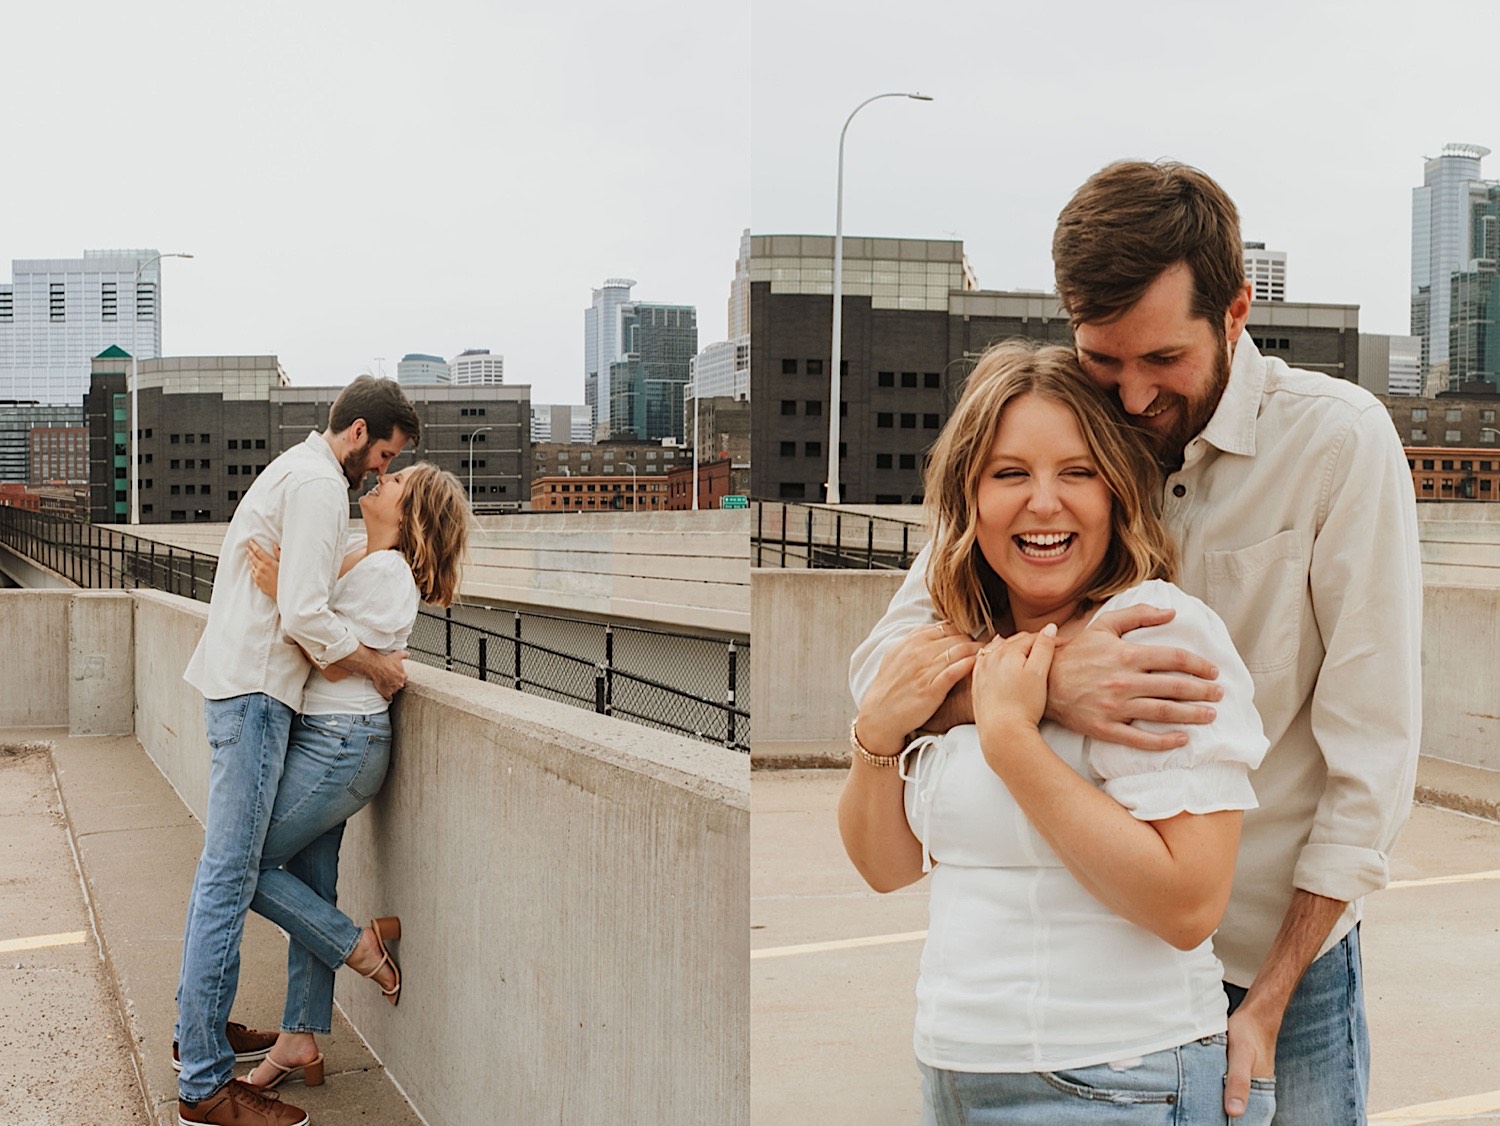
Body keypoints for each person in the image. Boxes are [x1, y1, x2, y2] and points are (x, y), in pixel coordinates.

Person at [851, 160, 1423, 1122]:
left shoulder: (1336, 445)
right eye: (1103, 359)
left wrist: (1274, 994)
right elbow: (884, 668)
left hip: (1279, 949)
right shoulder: (1060, 441)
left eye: (1163, 361)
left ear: (1235, 310)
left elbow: (1374, 753)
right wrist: (1045, 683)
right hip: (1109, 982)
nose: (1129, 396)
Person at [842, 340, 1272, 1123]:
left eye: (1077, 473)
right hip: (956, 1068)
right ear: (969, 499)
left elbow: (1188, 904)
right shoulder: (950, 648)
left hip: (1120, 1078)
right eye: (1011, 474)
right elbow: (885, 866)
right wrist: (877, 732)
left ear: (1116, 494)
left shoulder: (1153, 636)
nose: (1044, 503)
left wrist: (1013, 742)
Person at [176, 376, 420, 1126]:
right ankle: (207, 1081)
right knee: (231, 873)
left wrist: (297, 595)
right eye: (382, 454)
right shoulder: (318, 487)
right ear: (356, 435)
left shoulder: (301, 475)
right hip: (257, 694)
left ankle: (227, 1035)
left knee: (249, 871)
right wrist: (377, 666)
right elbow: (309, 615)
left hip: (265, 695)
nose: (379, 471)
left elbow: (313, 593)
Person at [232, 462, 471, 1092]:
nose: (381, 480)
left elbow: (331, 660)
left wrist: (286, 586)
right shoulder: (361, 557)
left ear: (410, 514)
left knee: (240, 867)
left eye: (396, 483)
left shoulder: (389, 575)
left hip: (342, 747)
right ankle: (299, 1037)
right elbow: (322, 627)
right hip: (326, 742)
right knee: (310, 882)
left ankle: (359, 946)